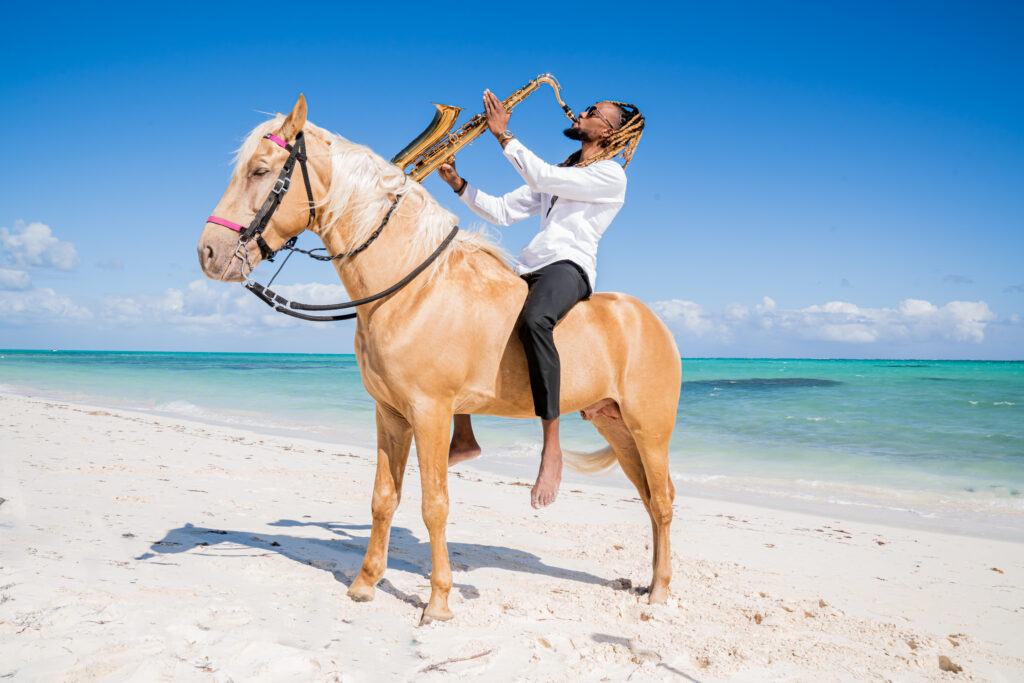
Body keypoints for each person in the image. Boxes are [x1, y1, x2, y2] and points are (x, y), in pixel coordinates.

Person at [438, 89, 645, 509]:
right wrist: (458, 183)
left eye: (593, 113)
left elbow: (543, 179)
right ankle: (463, 436)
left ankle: (552, 449)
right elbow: (500, 211)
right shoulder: (562, 169)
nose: (582, 112)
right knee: (465, 320)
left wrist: (503, 136)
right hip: (528, 267)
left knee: (536, 321)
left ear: (608, 132)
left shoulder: (610, 176)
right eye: (586, 108)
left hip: (569, 267)